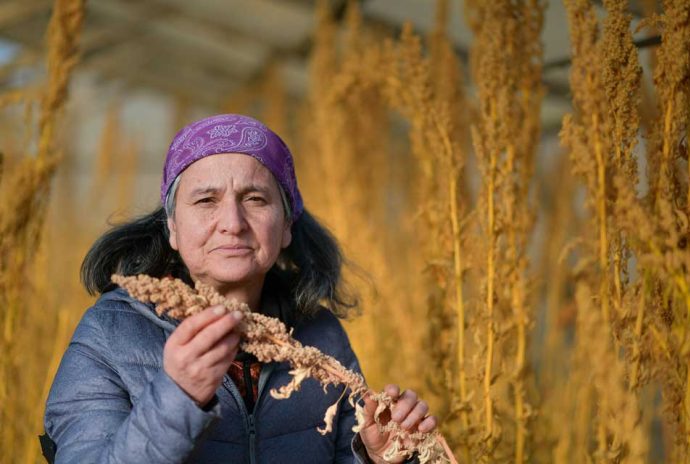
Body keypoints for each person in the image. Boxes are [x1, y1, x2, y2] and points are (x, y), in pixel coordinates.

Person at [43, 114, 437, 463]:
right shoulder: (109, 336)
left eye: (254, 198)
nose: (232, 222)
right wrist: (178, 397)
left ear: (285, 226)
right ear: (173, 228)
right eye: (205, 200)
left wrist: (374, 458)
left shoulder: (322, 334)